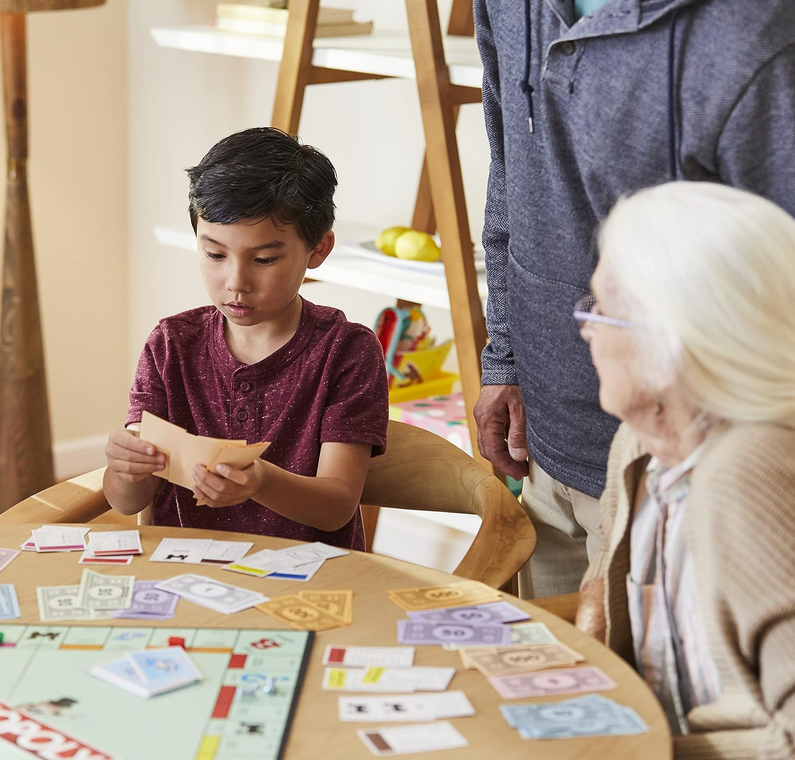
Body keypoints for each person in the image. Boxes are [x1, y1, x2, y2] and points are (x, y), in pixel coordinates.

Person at [473, 0, 795, 598]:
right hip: (540, 438)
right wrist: (505, 358)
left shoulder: (755, 37)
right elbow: (510, 170)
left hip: (684, 467)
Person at [574, 182, 795, 757]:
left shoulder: (747, 469)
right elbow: (608, 596)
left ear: (672, 340)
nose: (586, 329)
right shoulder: (639, 442)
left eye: (602, 310)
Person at [103, 127, 389, 549]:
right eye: (215, 254)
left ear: (318, 250)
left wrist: (260, 481)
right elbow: (129, 502)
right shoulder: (171, 344)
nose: (236, 282)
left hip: (309, 589)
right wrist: (125, 470)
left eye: (264, 259)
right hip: (184, 579)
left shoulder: (347, 351)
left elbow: (336, 507)